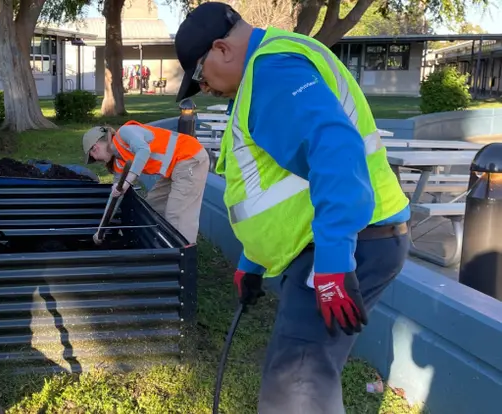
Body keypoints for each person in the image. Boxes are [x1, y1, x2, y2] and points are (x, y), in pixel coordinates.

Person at [173, 3, 411, 413]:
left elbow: (334, 149)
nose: (205, 88)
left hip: (344, 243)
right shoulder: (269, 70)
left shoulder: (272, 73)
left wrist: (334, 263)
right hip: (337, 240)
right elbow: (277, 185)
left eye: (199, 75)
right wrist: (252, 262)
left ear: (221, 49)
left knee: (298, 385)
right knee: (301, 377)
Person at [82, 122, 209, 244]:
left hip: (189, 158)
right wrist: (101, 228)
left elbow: (143, 150)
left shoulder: (125, 132)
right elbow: (115, 196)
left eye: (93, 156)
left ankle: (184, 259)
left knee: (177, 216)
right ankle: (157, 246)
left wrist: (126, 182)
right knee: (152, 207)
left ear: (95, 147)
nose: (97, 160)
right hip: (173, 168)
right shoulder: (119, 162)